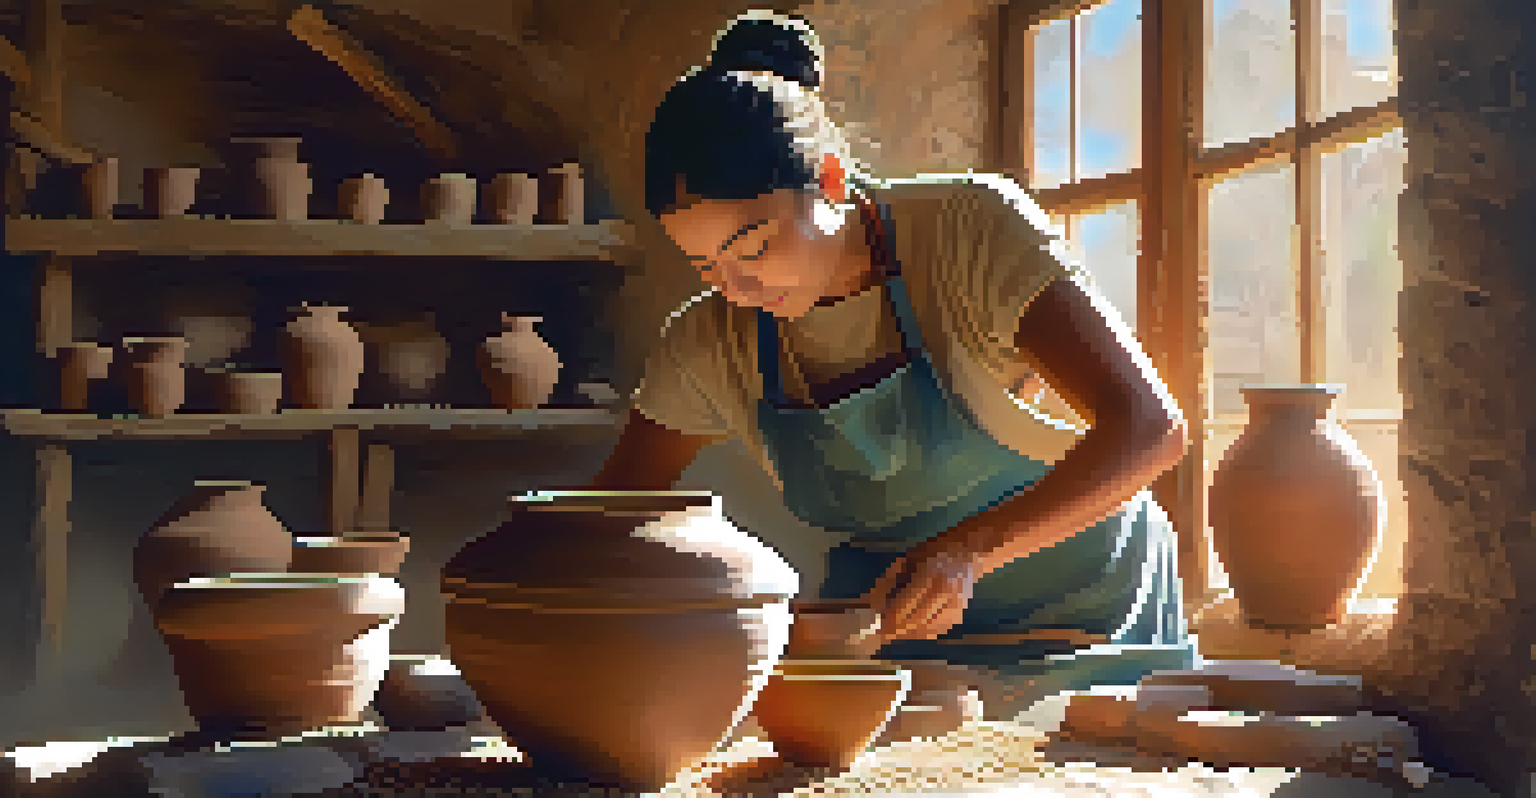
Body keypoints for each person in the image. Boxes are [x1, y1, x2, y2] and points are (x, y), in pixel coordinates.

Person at [589, 9, 1197, 732]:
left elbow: (1151, 428)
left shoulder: (970, 231)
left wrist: (968, 552)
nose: (737, 288)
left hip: (1088, 636)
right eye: (706, 266)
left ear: (833, 179)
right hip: (894, 656)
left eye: (752, 249)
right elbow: (605, 519)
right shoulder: (706, 339)